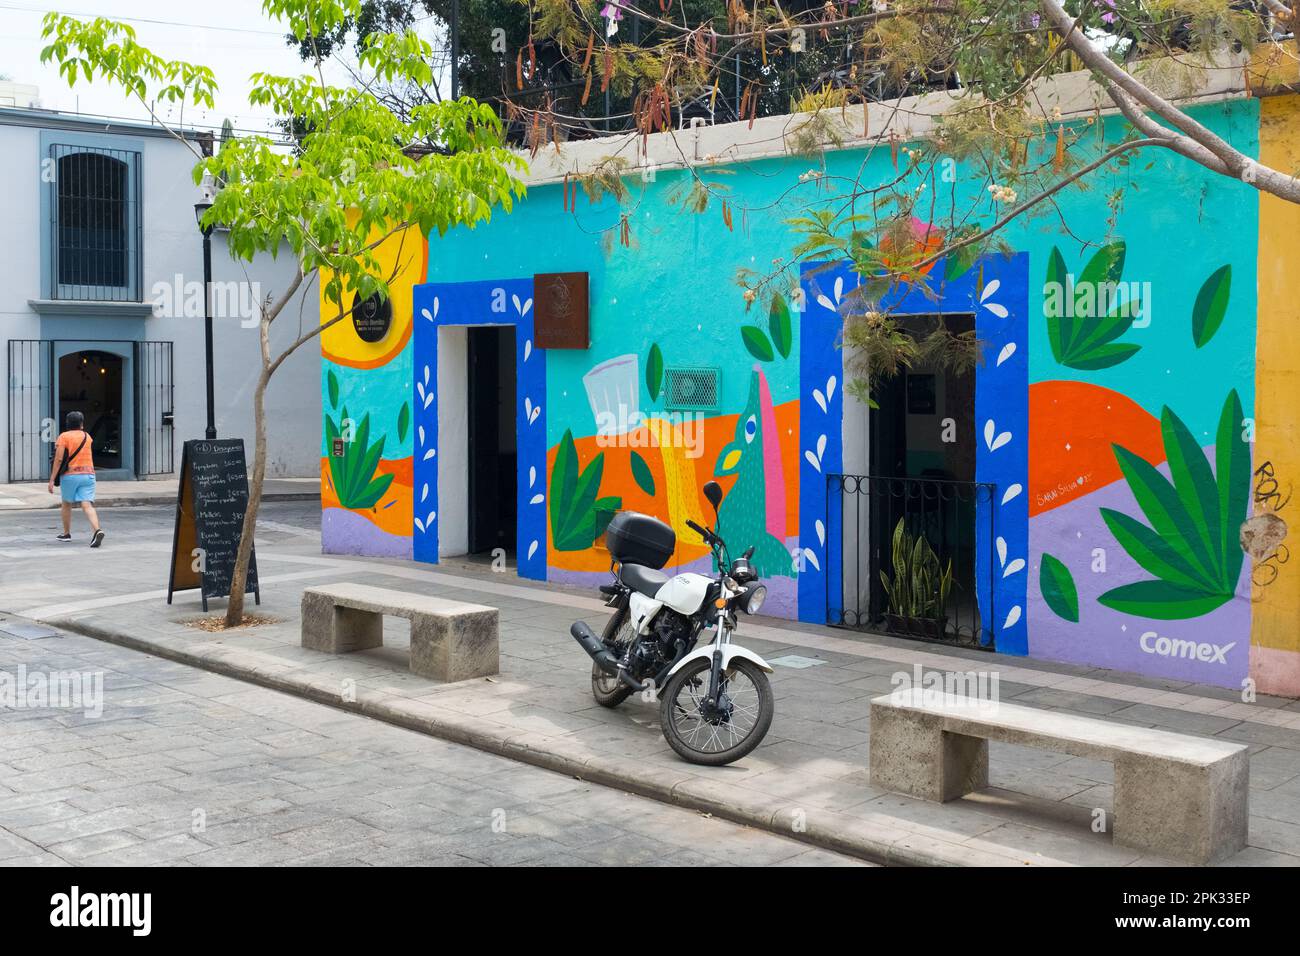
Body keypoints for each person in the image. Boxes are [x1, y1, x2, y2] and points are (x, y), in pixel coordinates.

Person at [47, 411, 105, 547]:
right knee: (86, 504)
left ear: (67, 423)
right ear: (82, 424)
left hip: (70, 475)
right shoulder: (87, 436)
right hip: (88, 475)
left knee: (66, 503)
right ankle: (97, 530)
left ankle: (66, 534)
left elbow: (59, 459)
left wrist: (52, 479)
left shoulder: (63, 437)